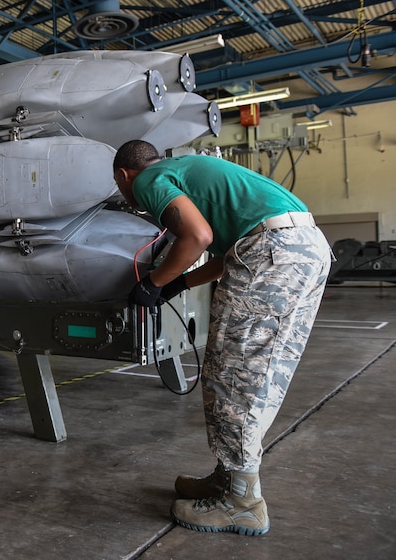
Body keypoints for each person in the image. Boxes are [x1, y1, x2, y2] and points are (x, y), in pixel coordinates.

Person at [112, 140, 331, 536]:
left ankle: (242, 503)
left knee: (234, 371)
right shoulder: (190, 169)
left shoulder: (148, 179)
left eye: (121, 186)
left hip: (271, 251)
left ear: (123, 175)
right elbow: (224, 252)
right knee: (264, 368)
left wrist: (152, 283)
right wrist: (177, 283)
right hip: (305, 246)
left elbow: (195, 235)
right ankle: (229, 477)